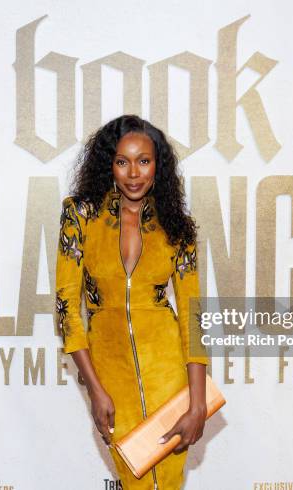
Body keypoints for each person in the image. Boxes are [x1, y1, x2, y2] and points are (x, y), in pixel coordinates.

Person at [55, 114, 209, 489]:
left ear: (158, 165)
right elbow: (66, 309)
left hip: (169, 376)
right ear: (109, 164)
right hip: (110, 378)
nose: (134, 172)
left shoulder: (176, 226)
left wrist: (198, 402)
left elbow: (192, 314)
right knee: (134, 479)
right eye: (122, 161)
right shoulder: (80, 215)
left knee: (168, 482)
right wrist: (94, 387)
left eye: (144, 160)